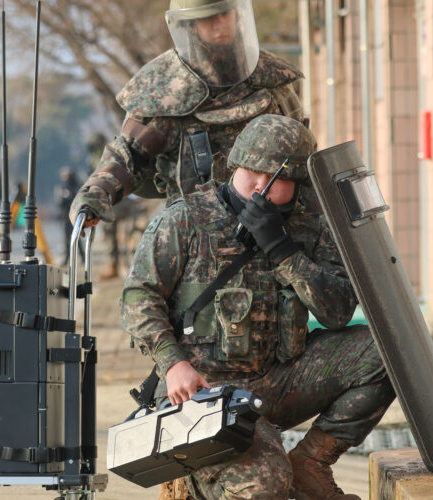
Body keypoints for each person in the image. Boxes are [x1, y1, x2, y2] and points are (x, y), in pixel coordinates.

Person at [120, 115, 395, 500]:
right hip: (204, 390)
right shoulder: (185, 219)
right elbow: (137, 299)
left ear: (298, 183)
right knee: (264, 487)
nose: (258, 186)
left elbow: (337, 312)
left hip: (279, 380)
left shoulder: (310, 226)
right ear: (235, 165)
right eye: (251, 171)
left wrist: (284, 250)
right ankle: (205, 478)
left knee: (386, 353)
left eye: (274, 177)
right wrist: (173, 363)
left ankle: (311, 464)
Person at [69, 0, 307, 231]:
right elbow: (127, 155)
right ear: (190, 25)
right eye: (209, 18)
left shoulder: (272, 81)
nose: (220, 24)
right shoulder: (165, 90)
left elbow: (304, 154)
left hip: (276, 232)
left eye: (226, 14)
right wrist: (96, 193)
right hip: (195, 241)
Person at [58, 166, 83, 265]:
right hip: (66, 216)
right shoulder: (64, 187)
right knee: (66, 238)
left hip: (75, 215)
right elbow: (60, 203)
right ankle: (67, 257)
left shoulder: (76, 186)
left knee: (76, 236)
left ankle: (82, 256)